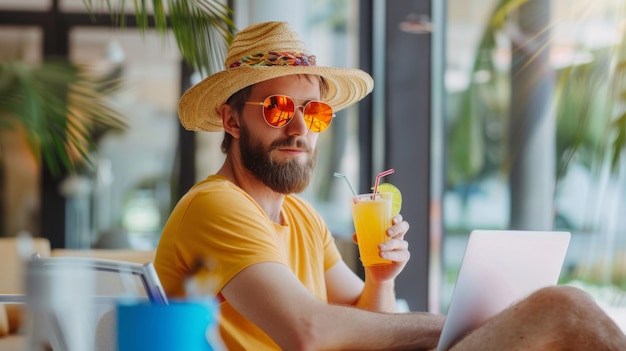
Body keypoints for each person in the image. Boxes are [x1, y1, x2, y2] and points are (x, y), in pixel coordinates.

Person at [154, 21, 626, 350]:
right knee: (562, 308)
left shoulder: (302, 218)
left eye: (314, 112)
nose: (299, 128)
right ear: (232, 120)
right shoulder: (216, 205)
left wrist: (380, 277)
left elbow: (368, 334)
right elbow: (308, 333)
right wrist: (438, 329)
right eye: (278, 108)